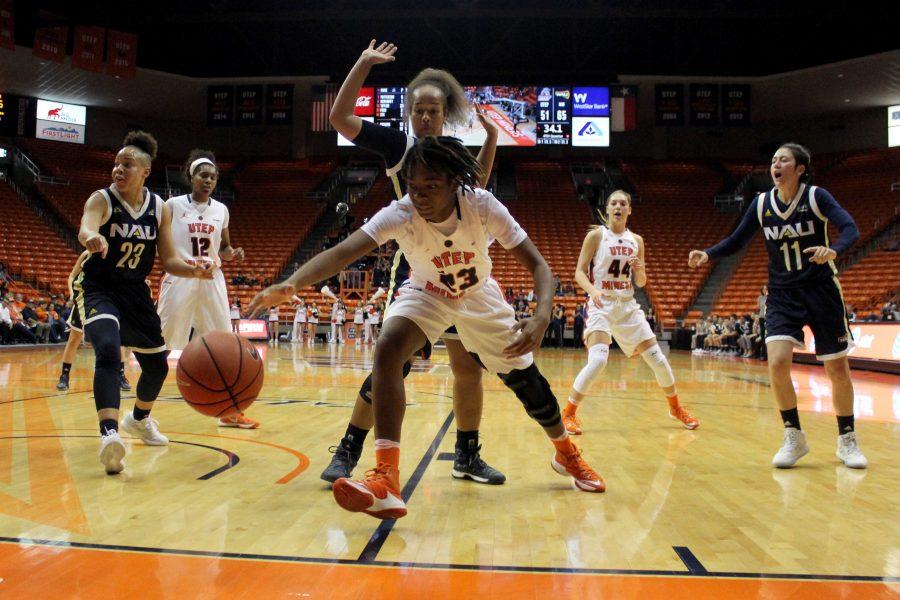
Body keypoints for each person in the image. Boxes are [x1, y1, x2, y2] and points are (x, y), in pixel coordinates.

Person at [249, 137, 605, 520]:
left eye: (431, 187)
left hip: (477, 293)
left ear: (455, 183)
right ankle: (386, 478)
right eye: (414, 187)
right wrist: (291, 284)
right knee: (387, 348)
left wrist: (540, 315)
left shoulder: (482, 206)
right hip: (429, 290)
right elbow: (343, 252)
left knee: (527, 382)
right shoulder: (401, 213)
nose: (419, 196)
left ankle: (566, 454)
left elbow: (539, 267)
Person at [322, 40, 506, 486]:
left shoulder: (454, 148)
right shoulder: (397, 145)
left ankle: (467, 453)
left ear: (444, 116)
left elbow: (476, 186)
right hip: (417, 264)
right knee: (393, 365)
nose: (426, 118)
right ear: (409, 113)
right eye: (419, 111)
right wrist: (363, 63)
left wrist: (493, 140)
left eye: (433, 112)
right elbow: (340, 119)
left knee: (468, 365)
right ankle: (350, 446)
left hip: (459, 266)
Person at [689, 142, 866, 469]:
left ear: (800, 169)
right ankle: (794, 436)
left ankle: (847, 439)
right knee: (777, 362)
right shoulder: (761, 203)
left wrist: (834, 250)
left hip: (821, 290)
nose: (776, 165)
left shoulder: (816, 197)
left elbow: (851, 228)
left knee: (836, 368)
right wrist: (708, 253)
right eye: (773, 160)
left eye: (784, 160)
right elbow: (737, 240)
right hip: (783, 294)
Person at [76, 131, 213, 475]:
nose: (118, 169)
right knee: (107, 350)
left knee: (158, 367)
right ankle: (109, 436)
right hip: (98, 286)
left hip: (135, 292)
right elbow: (86, 227)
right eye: (116, 163)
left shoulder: (159, 208)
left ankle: (138, 419)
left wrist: (195, 269)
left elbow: (169, 260)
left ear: (145, 172)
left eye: (127, 164)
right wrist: (91, 237)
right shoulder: (101, 199)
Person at [563, 190, 699, 436]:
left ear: (629, 210)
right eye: (614, 202)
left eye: (623, 203)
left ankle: (676, 408)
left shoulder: (637, 240)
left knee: (658, 359)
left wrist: (640, 270)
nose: (618, 206)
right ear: (607, 209)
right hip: (602, 304)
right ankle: (569, 413)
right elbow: (579, 272)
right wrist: (593, 290)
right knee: (598, 361)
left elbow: (641, 282)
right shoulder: (597, 236)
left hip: (627, 306)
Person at [156, 150, 257, 429]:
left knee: (224, 346)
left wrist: (231, 252)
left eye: (213, 177)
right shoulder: (172, 205)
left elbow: (222, 248)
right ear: (191, 176)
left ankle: (229, 412)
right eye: (203, 175)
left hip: (212, 279)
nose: (208, 180)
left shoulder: (221, 210)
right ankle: (144, 409)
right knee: (161, 342)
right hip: (181, 276)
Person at [57, 250, 132, 392]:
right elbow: (72, 275)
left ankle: (120, 375)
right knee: (74, 339)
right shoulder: (87, 254)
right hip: (87, 299)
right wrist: (73, 293)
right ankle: (64, 375)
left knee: (118, 340)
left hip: (109, 301)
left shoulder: (118, 251)